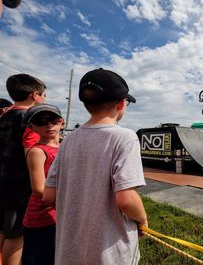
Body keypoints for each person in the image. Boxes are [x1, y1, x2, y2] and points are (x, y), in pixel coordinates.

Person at [43, 68, 148, 265]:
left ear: (86, 104)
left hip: (68, 251)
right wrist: (142, 220)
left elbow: (48, 196)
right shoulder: (124, 138)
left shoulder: (68, 140)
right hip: (110, 254)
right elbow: (126, 200)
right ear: (121, 103)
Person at [0, 74, 47, 265]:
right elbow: (33, 155)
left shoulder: (4, 115)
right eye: (44, 95)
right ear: (35, 95)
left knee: (2, 231)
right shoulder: (30, 120)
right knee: (15, 237)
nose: (44, 99)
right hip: (19, 190)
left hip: (2, 185)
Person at [21, 104, 63, 265]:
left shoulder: (64, 148)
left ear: (62, 123)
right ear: (31, 127)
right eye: (41, 121)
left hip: (58, 216)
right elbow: (39, 189)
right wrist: (68, 205)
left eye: (54, 120)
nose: (49, 125)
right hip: (41, 219)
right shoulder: (37, 151)